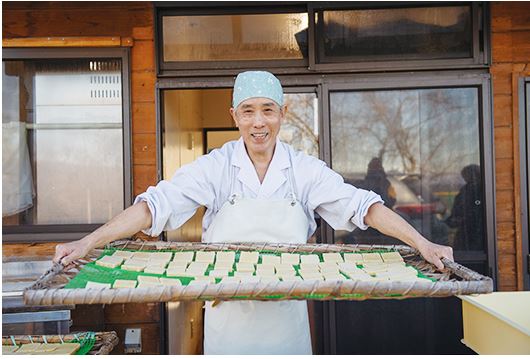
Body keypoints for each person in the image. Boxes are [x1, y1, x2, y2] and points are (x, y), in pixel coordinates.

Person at [54, 70, 453, 355]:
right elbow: (153, 207)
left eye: (267, 110)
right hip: (230, 327)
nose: (258, 122)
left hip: (287, 325)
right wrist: (87, 242)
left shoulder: (304, 170)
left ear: (282, 112)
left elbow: (365, 208)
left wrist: (422, 242)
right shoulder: (216, 166)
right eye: (247, 111)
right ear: (234, 116)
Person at [445, 164, 484, 250]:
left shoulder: (483, 189)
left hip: (479, 233)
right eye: (466, 176)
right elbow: (456, 212)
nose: (467, 179)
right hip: (465, 234)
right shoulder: (464, 191)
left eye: (471, 175)